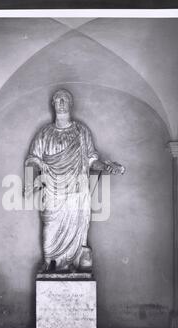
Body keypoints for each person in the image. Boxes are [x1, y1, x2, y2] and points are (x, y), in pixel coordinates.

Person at [25, 89, 125, 272]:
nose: (61, 102)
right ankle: (50, 261)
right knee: (49, 227)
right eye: (58, 99)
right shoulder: (44, 133)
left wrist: (106, 167)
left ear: (70, 104)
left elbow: (92, 161)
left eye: (65, 99)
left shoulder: (82, 131)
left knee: (78, 228)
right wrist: (31, 182)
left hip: (77, 190)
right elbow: (32, 159)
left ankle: (74, 261)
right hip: (52, 191)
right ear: (53, 104)